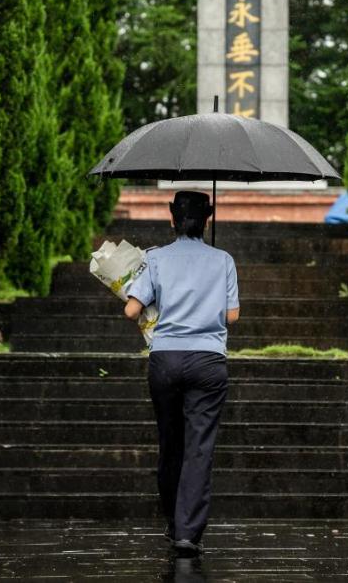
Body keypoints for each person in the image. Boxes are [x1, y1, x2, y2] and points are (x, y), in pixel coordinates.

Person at [123, 190, 240, 553]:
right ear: (208, 219)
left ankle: (173, 522)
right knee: (199, 447)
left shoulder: (155, 259)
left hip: (166, 360)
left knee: (170, 442)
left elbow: (131, 310)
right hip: (208, 362)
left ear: (172, 218)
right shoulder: (223, 260)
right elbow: (232, 315)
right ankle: (189, 532)